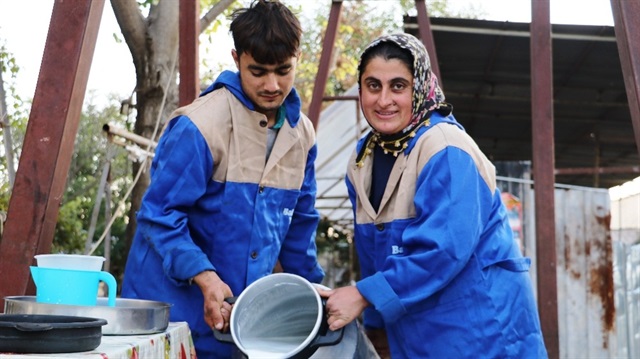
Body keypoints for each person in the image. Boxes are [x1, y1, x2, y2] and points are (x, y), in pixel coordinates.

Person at [317, 33, 548, 358]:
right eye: (373, 86)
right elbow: (371, 256)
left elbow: (444, 249)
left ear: (420, 87)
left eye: (398, 86)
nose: (384, 100)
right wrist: (376, 325)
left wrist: (363, 295)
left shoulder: (445, 147)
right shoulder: (363, 159)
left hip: (480, 333)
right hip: (418, 336)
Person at [120, 1, 325, 358]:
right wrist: (206, 277)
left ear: (298, 58)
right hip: (168, 318)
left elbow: (299, 229)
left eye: (283, 70)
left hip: (240, 324)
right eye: (258, 71)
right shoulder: (199, 125)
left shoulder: (302, 135)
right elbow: (159, 217)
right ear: (236, 58)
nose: (272, 85)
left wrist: (313, 291)